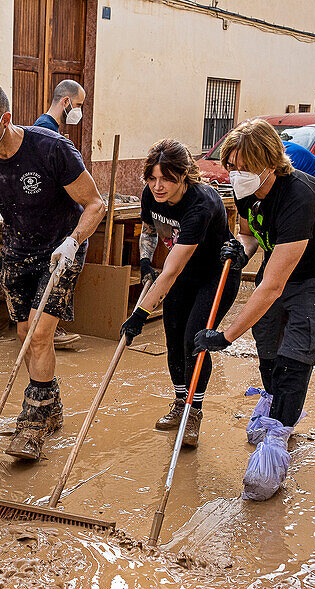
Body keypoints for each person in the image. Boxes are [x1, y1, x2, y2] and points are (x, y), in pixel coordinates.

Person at [0, 79, 105, 460]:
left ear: (4, 118)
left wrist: (73, 241)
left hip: (60, 250)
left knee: (38, 334)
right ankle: (50, 403)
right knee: (24, 333)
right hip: (18, 249)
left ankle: (33, 419)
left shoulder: (52, 149)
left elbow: (95, 205)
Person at [193, 118, 315, 430]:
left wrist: (226, 337)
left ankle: (280, 433)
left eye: (243, 166)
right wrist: (241, 252)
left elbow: (272, 287)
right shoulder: (245, 188)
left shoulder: (299, 197)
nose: (235, 174)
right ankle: (276, 401)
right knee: (266, 340)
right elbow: (248, 233)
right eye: (231, 165)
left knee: (296, 353)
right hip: (278, 260)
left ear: (270, 163)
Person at [119, 140, 242, 448]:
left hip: (216, 275)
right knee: (173, 339)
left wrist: (139, 314)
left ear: (185, 175)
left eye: (167, 179)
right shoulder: (151, 195)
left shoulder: (200, 205)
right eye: (152, 178)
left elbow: (170, 271)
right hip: (183, 273)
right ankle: (179, 403)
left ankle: (194, 412)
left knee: (194, 340)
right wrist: (145, 261)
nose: (158, 186)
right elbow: (149, 230)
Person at [33, 78, 88, 349]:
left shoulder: (48, 129)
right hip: (55, 221)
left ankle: (48, 328)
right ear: (66, 102)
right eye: (78, 105)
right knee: (58, 271)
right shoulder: (47, 132)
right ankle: (48, 330)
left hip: (50, 218)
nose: (79, 112)